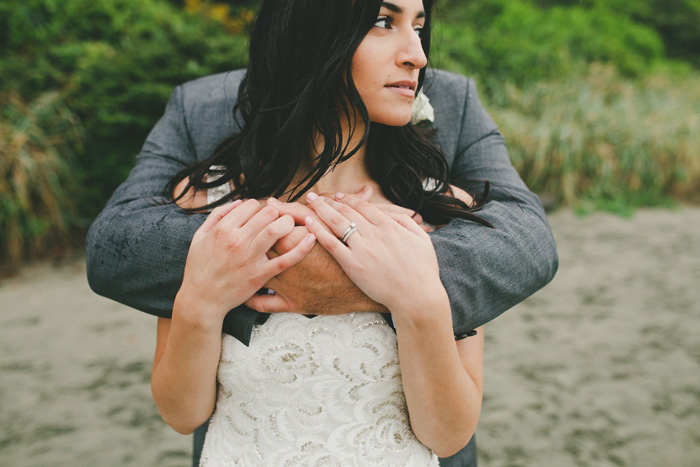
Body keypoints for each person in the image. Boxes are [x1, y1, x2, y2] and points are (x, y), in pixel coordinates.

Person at [86, 0, 558, 465]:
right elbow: (182, 413)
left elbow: (449, 433)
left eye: (418, 26)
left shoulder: (436, 212)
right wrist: (201, 300)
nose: (418, 53)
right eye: (382, 21)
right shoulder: (212, 209)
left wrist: (419, 299)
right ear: (311, 34)